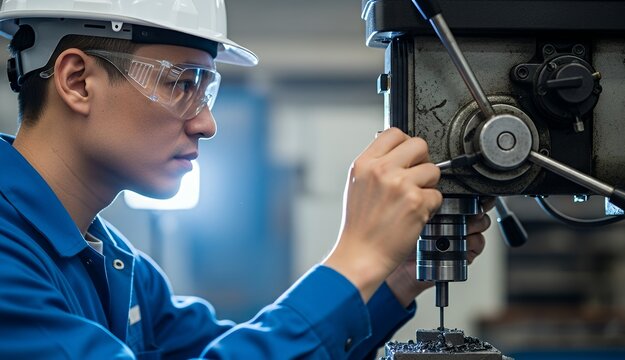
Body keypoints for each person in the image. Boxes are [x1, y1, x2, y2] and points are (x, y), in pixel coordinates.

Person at [0, 1, 492, 359]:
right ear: (77, 81)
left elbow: (224, 350)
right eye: (179, 83)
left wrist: (392, 279)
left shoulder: (116, 264)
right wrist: (354, 263)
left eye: (205, 91)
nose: (206, 123)